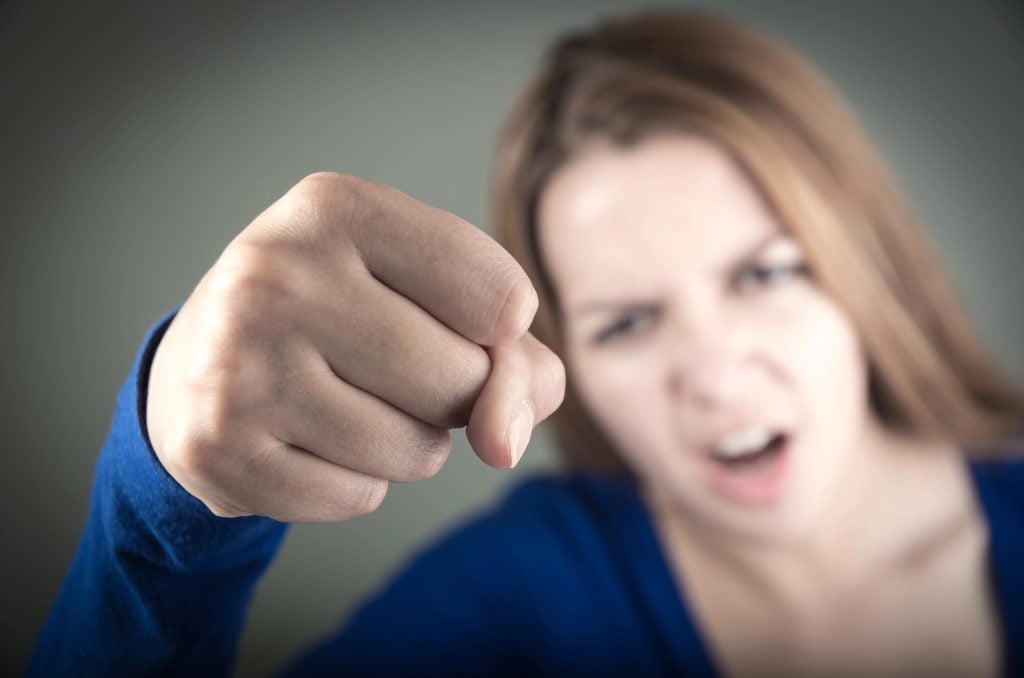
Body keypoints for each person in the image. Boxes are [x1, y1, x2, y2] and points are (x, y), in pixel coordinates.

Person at [29, 9, 1024, 677]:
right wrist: (167, 499)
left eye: (764, 275)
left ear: (867, 270)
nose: (717, 373)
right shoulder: (528, 590)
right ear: (570, 368)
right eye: (625, 323)